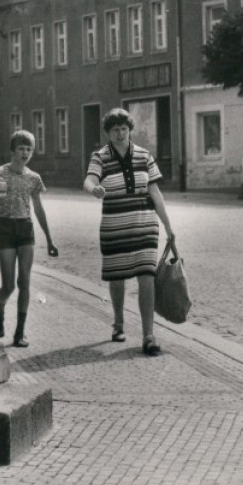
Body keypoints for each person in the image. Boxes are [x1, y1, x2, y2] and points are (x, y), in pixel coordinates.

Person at [83, 108, 175, 357]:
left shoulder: (145, 156)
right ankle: (118, 322)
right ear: (108, 133)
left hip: (145, 225)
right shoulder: (100, 156)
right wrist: (95, 190)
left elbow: (155, 192)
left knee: (146, 276)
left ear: (130, 130)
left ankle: (148, 336)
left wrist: (168, 225)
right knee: (117, 276)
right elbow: (89, 180)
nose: (120, 133)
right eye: (115, 130)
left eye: (124, 129)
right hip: (115, 226)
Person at [0, 129, 58, 348]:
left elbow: (38, 208)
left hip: (25, 229)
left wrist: (49, 238)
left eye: (29, 149)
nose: (25, 153)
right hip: (6, 228)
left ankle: (20, 332)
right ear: (13, 150)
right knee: (9, 284)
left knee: (25, 282)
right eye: (21, 148)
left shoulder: (33, 178)